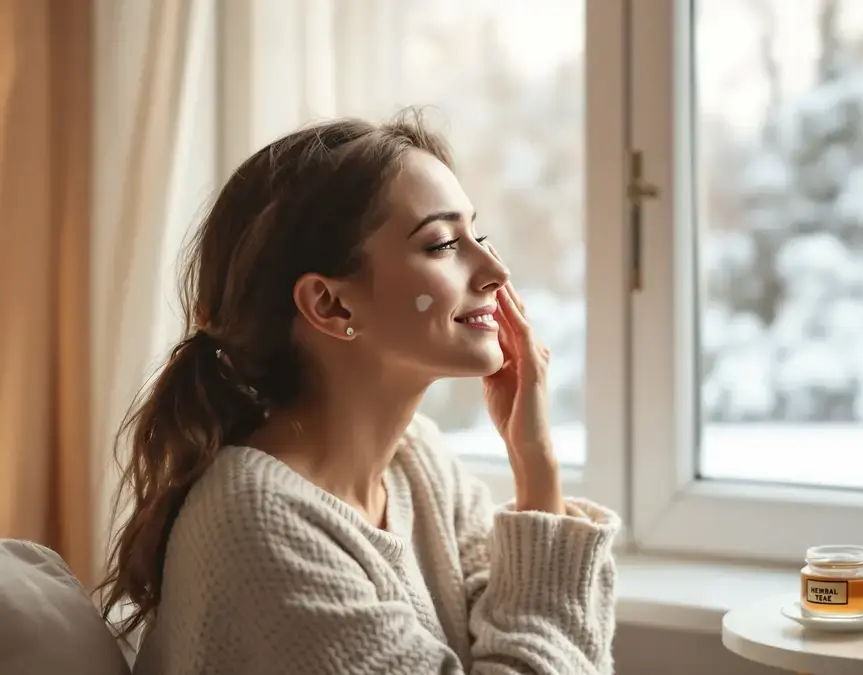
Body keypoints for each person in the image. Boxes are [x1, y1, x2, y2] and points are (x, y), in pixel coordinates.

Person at [97, 110, 620, 675]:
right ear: (331, 305)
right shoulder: (262, 525)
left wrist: (535, 463)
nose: (495, 269)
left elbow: (533, 632)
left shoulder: (419, 467)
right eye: (444, 244)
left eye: (479, 235)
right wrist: (536, 471)